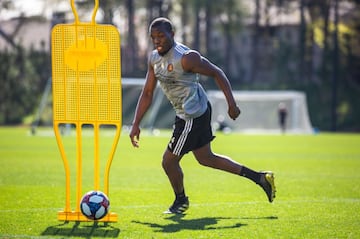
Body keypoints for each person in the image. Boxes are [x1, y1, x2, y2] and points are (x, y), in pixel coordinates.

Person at [129, 17, 276, 214]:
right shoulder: (154, 59)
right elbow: (147, 93)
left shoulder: (186, 57)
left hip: (193, 114)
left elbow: (217, 73)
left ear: (172, 34)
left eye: (161, 36)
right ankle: (260, 178)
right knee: (206, 158)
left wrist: (231, 104)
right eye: (153, 37)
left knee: (168, 161)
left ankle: (180, 201)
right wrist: (136, 123)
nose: (157, 41)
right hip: (188, 113)